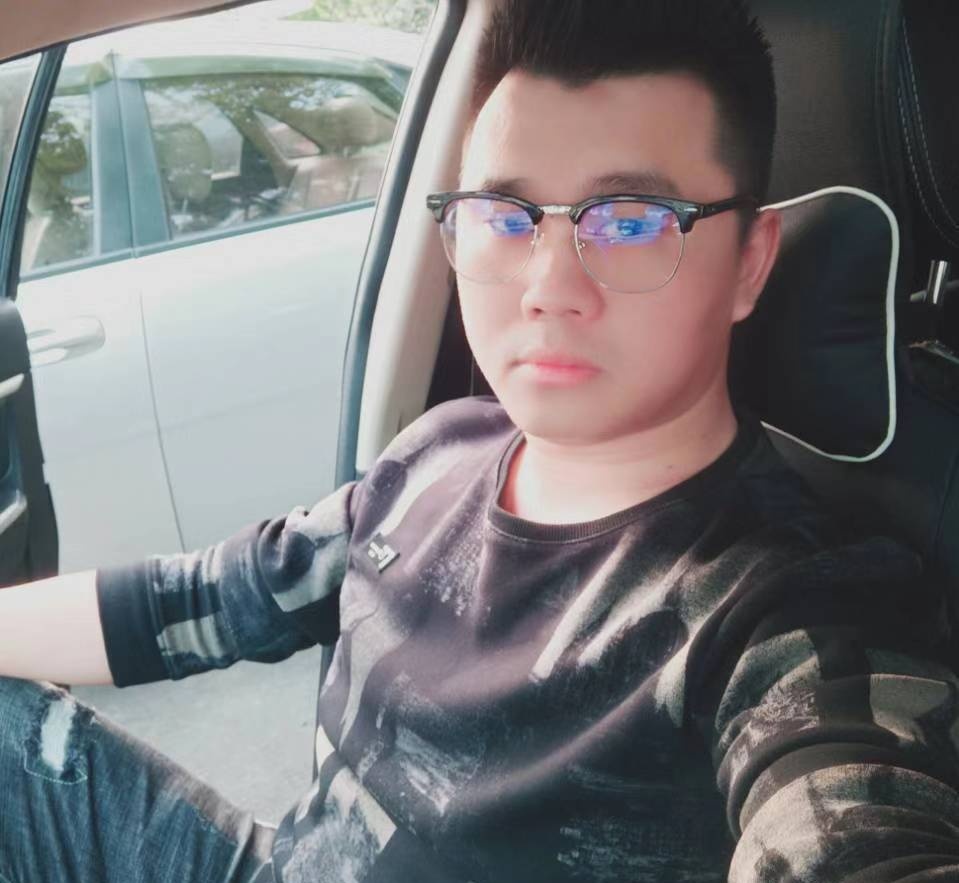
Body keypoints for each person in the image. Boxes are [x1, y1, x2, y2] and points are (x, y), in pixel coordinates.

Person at [2, 1, 959, 881]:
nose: (547, 286)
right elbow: (198, 597)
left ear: (749, 264)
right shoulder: (434, 453)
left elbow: (852, 823)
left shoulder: (787, 612)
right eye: (504, 216)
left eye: (629, 220)